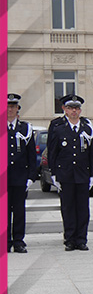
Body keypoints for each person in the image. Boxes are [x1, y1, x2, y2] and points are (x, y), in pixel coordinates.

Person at [46, 94, 93, 251]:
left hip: (82, 174)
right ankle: (70, 238)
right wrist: (54, 173)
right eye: (70, 108)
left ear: (80, 110)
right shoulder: (58, 128)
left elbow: (92, 153)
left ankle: (81, 239)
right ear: (64, 109)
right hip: (65, 174)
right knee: (68, 208)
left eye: (76, 108)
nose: (74, 111)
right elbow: (53, 153)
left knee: (82, 208)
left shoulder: (88, 129)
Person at [7, 93, 36, 253]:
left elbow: (31, 154)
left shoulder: (25, 128)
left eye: (13, 107)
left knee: (19, 211)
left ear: (18, 109)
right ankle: (5, 241)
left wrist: (31, 176)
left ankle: (18, 241)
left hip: (20, 177)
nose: (10, 109)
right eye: (8, 107)